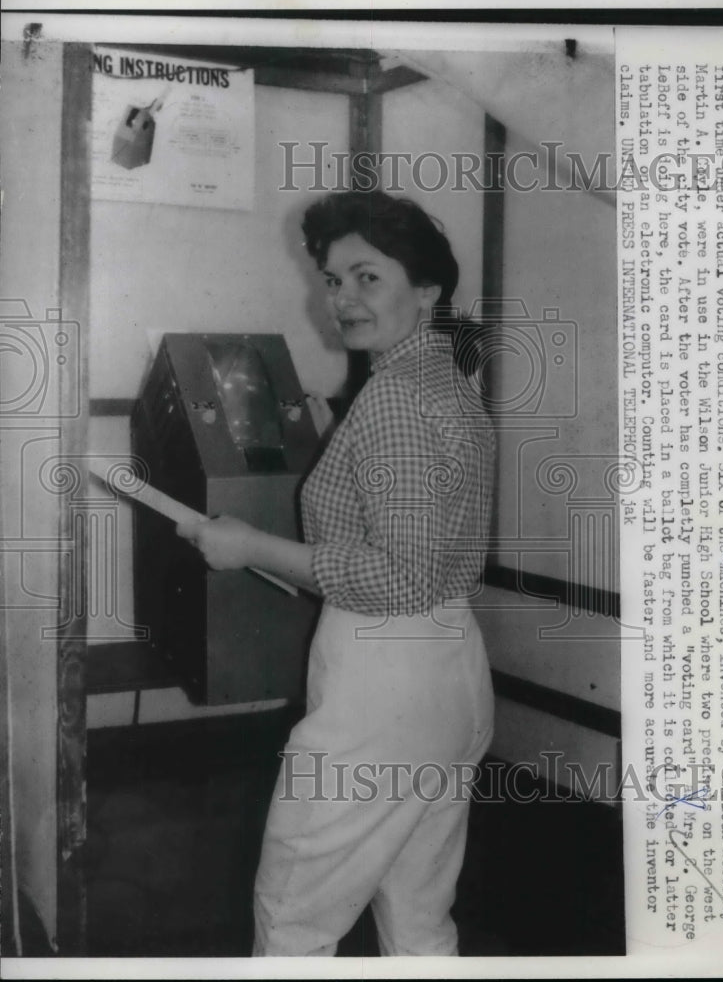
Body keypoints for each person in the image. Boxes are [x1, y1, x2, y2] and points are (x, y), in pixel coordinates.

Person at [178, 190, 495, 956]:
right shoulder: (448, 385)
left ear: (425, 290)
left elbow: (397, 576)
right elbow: (423, 547)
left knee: (292, 919)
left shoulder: (392, 399)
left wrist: (249, 546)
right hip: (451, 673)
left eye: (367, 277)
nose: (343, 300)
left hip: (381, 693)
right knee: (420, 919)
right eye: (331, 280)